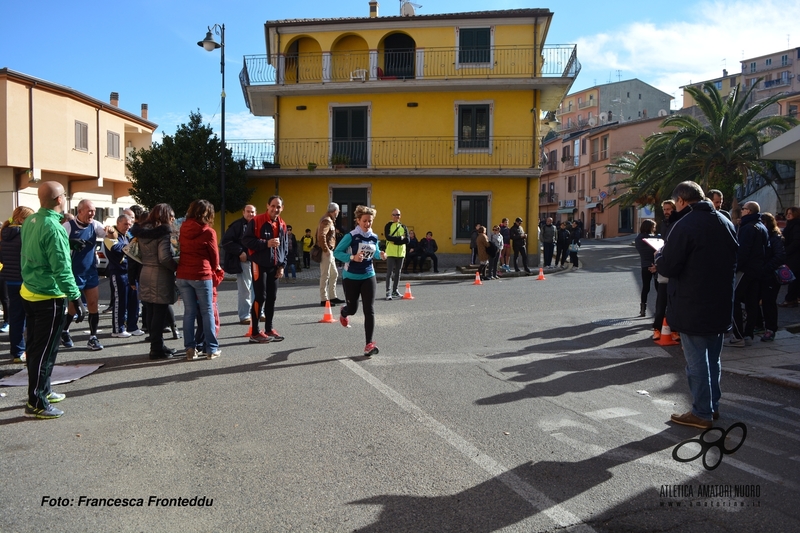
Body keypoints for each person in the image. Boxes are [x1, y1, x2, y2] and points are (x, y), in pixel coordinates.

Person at [655, 181, 737, 429]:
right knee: (713, 359)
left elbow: (669, 266)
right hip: (720, 300)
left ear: (681, 200)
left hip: (693, 302)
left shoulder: (685, 224)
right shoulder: (725, 221)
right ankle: (711, 407)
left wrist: (659, 256)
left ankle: (701, 412)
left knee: (697, 362)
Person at [20, 182, 83, 418]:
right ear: (59, 199)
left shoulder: (30, 221)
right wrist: (76, 296)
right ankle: (36, 401)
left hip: (31, 291)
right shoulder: (54, 228)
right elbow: (62, 269)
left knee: (38, 348)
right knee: (44, 352)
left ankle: (43, 389)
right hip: (49, 296)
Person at [334, 205, 386, 357]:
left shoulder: (373, 237)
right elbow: (337, 252)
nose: (367, 224)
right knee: (353, 309)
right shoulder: (351, 236)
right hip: (351, 277)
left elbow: (374, 252)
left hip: (368, 275)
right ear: (358, 221)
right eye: (364, 221)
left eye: (370, 221)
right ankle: (344, 312)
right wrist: (352, 258)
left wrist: (381, 255)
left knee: (369, 309)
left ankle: (368, 344)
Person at [177, 199, 222, 360]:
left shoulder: (183, 228)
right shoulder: (209, 232)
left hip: (183, 274)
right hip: (201, 274)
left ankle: (190, 348)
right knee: (207, 311)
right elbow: (215, 259)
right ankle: (211, 348)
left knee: (189, 313)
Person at [242, 195, 289, 344]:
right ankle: (255, 332)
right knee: (260, 297)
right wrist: (266, 243)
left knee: (272, 297)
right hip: (259, 263)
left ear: (282, 208)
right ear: (267, 206)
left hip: (274, 266)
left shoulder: (282, 224)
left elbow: (285, 247)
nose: (275, 209)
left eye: (278, 207)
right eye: (273, 206)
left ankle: (269, 329)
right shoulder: (256, 221)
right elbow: (247, 241)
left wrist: (282, 266)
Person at [61, 199, 107, 351]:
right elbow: (58, 246)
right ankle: (65, 330)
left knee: (93, 304)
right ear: (79, 211)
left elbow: (106, 232)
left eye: (93, 211)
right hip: (74, 272)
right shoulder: (68, 226)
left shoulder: (94, 224)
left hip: (90, 271)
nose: (92, 214)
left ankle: (93, 337)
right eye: (89, 211)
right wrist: (70, 242)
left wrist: (111, 231)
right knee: (74, 307)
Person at [137, 204, 179, 360]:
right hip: (160, 275)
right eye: (172, 215)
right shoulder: (163, 233)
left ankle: (157, 345)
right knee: (159, 313)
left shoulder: (142, 231)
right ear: (165, 215)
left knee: (151, 311)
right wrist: (176, 267)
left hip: (145, 272)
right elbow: (164, 258)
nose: (173, 218)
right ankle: (156, 349)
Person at [729, 201, 768, 346]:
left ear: (749, 211)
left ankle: (738, 336)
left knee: (733, 299)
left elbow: (743, 252)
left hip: (745, 269)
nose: (742, 211)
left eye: (743, 209)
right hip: (757, 270)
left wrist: (735, 267)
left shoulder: (748, 228)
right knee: (752, 302)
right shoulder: (761, 227)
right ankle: (748, 334)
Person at [0, 206, 34, 363]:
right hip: (26, 280)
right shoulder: (24, 235)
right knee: (31, 317)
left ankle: (17, 352)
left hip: (10, 280)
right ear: (21, 220)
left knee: (15, 317)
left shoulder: (3, 234)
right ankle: (27, 350)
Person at [103, 214, 143, 338]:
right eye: (125, 224)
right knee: (120, 302)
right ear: (118, 223)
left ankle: (132, 326)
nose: (128, 227)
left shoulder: (128, 235)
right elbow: (116, 248)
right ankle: (118, 329)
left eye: (130, 224)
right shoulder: (111, 233)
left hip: (130, 273)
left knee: (134, 301)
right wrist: (132, 246)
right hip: (118, 272)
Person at [221, 204, 256, 324]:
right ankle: (245, 315)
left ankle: (258, 313)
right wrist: (240, 251)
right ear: (243, 212)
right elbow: (226, 241)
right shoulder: (237, 226)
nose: (250, 214)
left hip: (257, 261)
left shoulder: (259, 225)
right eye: (248, 211)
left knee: (258, 289)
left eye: (252, 212)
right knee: (245, 290)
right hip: (244, 262)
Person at [759, 212, 786, 342]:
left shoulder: (775, 238)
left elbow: (779, 256)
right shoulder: (763, 236)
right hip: (762, 273)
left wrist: (766, 268)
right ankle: (760, 325)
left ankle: (770, 329)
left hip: (770, 275)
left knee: (769, 302)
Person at [317, 202, 343, 307]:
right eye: (338, 211)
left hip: (329, 251)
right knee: (325, 275)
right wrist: (326, 249)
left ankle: (333, 296)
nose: (339, 213)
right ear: (335, 211)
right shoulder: (327, 220)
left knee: (334, 274)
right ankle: (324, 299)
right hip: (326, 251)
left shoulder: (329, 219)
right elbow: (321, 235)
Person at [634, 219, 657, 318]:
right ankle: (659, 309)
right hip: (656, 265)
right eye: (653, 227)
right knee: (659, 288)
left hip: (645, 265)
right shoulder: (654, 239)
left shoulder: (638, 239)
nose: (654, 229)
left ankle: (642, 309)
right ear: (650, 227)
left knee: (645, 287)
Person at [384, 209, 409, 300]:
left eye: (398, 214)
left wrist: (395, 241)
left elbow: (407, 240)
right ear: (391, 216)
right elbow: (388, 237)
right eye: (394, 215)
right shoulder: (388, 225)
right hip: (391, 252)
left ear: (400, 215)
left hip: (401, 253)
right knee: (389, 273)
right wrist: (400, 238)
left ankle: (395, 291)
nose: (396, 216)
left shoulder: (403, 226)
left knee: (398, 273)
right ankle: (388, 292)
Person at [779, 207, 800, 307]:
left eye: (791, 213)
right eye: (787, 213)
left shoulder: (796, 225)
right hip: (793, 255)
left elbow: (796, 241)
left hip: (794, 256)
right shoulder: (792, 225)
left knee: (793, 278)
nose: (788, 215)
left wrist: (786, 251)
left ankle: (790, 298)